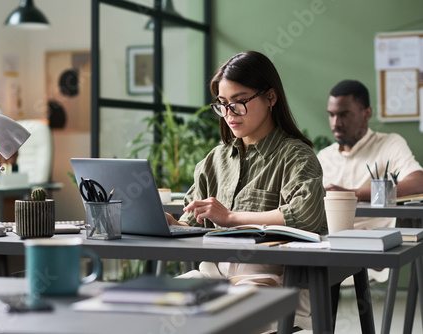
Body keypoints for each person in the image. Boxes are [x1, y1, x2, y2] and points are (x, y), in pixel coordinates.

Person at [165, 51, 327, 332]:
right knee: (149, 310)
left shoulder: (296, 156)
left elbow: (305, 216)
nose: (229, 114)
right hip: (212, 274)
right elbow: (191, 226)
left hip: (272, 280)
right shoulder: (213, 162)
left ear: (270, 97)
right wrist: (169, 225)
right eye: (223, 104)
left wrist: (230, 218)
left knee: (220, 321)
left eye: (239, 103)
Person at [317, 80, 423, 230]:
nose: (336, 123)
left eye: (344, 115)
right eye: (332, 115)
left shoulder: (389, 144)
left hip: (378, 244)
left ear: (367, 113)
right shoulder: (324, 156)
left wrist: (354, 195)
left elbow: (418, 183)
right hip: (328, 242)